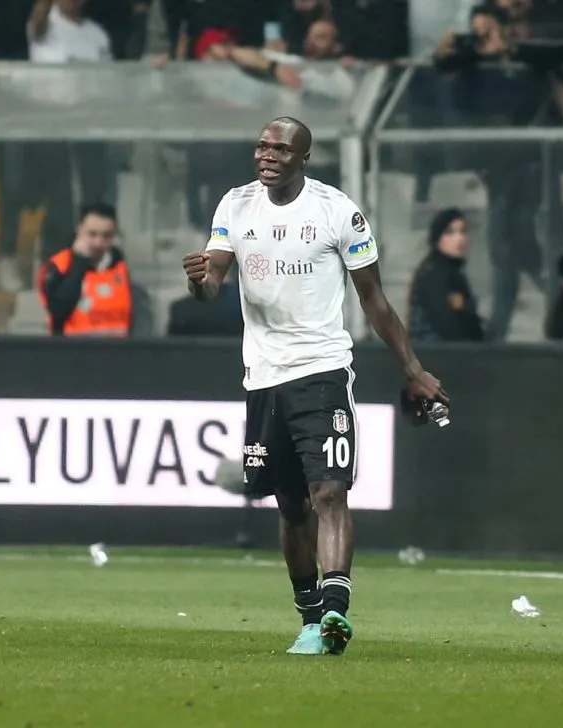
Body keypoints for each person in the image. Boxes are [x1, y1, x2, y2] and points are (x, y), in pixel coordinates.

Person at [182, 117, 448, 656]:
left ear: (303, 158)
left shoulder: (337, 212)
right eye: (261, 145)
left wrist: (412, 369)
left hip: (322, 370)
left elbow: (374, 299)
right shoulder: (235, 205)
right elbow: (213, 287)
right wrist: (199, 280)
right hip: (263, 376)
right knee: (290, 506)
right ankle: (308, 616)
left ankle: (334, 611)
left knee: (329, 491)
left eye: (280, 148)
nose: (267, 155)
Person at [37, 203, 134, 337]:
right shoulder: (59, 266)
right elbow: (59, 311)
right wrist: (78, 261)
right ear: (80, 231)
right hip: (73, 353)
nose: (98, 242)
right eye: (92, 234)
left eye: (106, 236)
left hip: (116, 353)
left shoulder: (121, 268)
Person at [408, 208, 485, 342]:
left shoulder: (453, 273)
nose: (459, 238)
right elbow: (448, 326)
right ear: (438, 238)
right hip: (437, 357)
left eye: (463, 231)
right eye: (450, 232)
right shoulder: (433, 275)